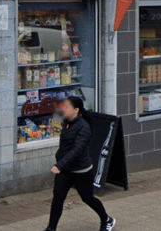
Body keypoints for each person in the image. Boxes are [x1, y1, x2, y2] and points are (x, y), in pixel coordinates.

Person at [44, 97, 116, 231]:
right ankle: (51, 229)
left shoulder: (84, 127)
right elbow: (65, 146)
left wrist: (59, 165)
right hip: (65, 170)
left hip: (81, 171)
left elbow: (76, 150)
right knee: (58, 198)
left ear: (76, 110)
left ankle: (107, 219)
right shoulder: (66, 123)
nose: (62, 109)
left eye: (66, 107)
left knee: (87, 198)